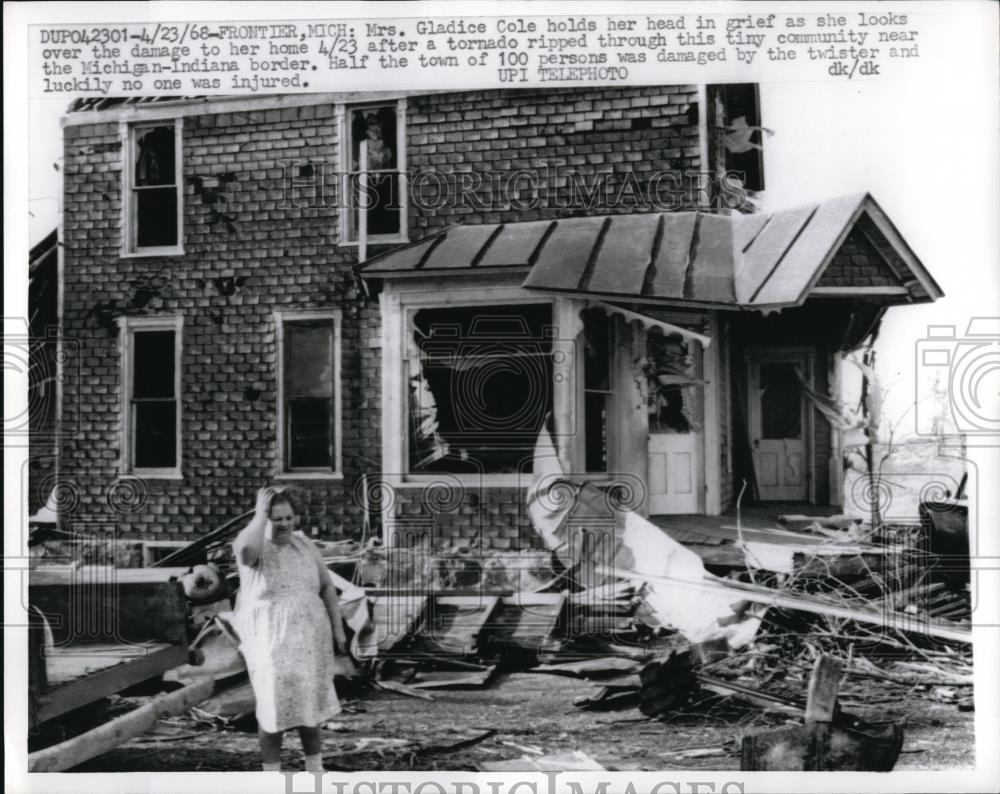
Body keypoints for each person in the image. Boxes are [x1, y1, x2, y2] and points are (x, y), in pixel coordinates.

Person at [233, 486, 346, 774]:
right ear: (263, 519)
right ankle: (272, 775)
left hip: (309, 634)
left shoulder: (304, 544)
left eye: (288, 517)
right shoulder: (255, 546)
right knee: (273, 703)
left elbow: (326, 586)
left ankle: (315, 768)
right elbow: (245, 553)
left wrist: (338, 630)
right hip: (270, 636)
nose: (283, 523)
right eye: (275, 518)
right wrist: (260, 514)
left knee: (309, 699)